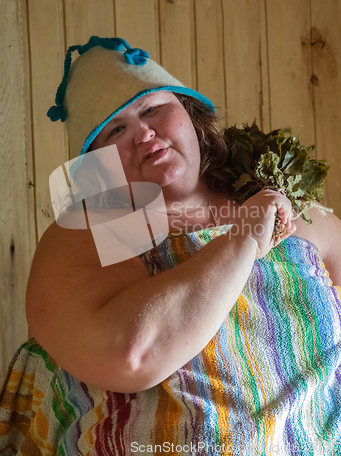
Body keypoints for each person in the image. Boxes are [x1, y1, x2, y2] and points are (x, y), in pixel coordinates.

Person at [1, 36, 341, 456]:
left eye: (152, 109)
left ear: (191, 116)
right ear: (96, 167)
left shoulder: (300, 214)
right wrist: (246, 237)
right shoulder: (81, 234)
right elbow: (130, 354)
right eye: (116, 130)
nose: (144, 134)